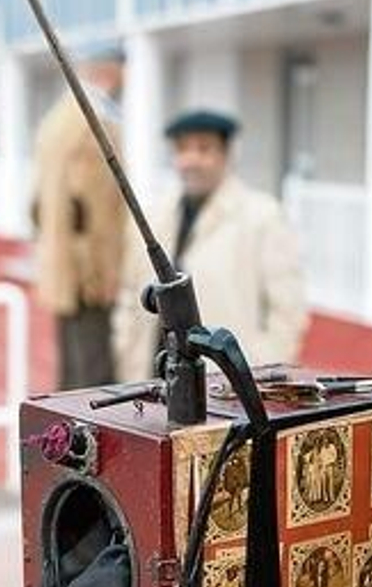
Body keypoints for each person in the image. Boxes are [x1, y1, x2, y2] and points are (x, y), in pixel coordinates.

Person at [111, 109, 308, 383]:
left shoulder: (263, 216)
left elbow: (287, 312)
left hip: (228, 387)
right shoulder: (155, 215)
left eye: (204, 149)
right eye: (183, 149)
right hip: (152, 382)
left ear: (226, 155)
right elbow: (130, 296)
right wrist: (126, 355)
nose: (191, 160)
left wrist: (257, 373)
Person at [32, 47, 127, 389]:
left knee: (71, 372)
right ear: (112, 72)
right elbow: (92, 208)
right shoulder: (94, 123)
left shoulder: (56, 119)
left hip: (61, 262)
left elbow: (38, 202)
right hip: (86, 269)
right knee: (94, 377)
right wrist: (100, 273)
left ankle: (63, 440)